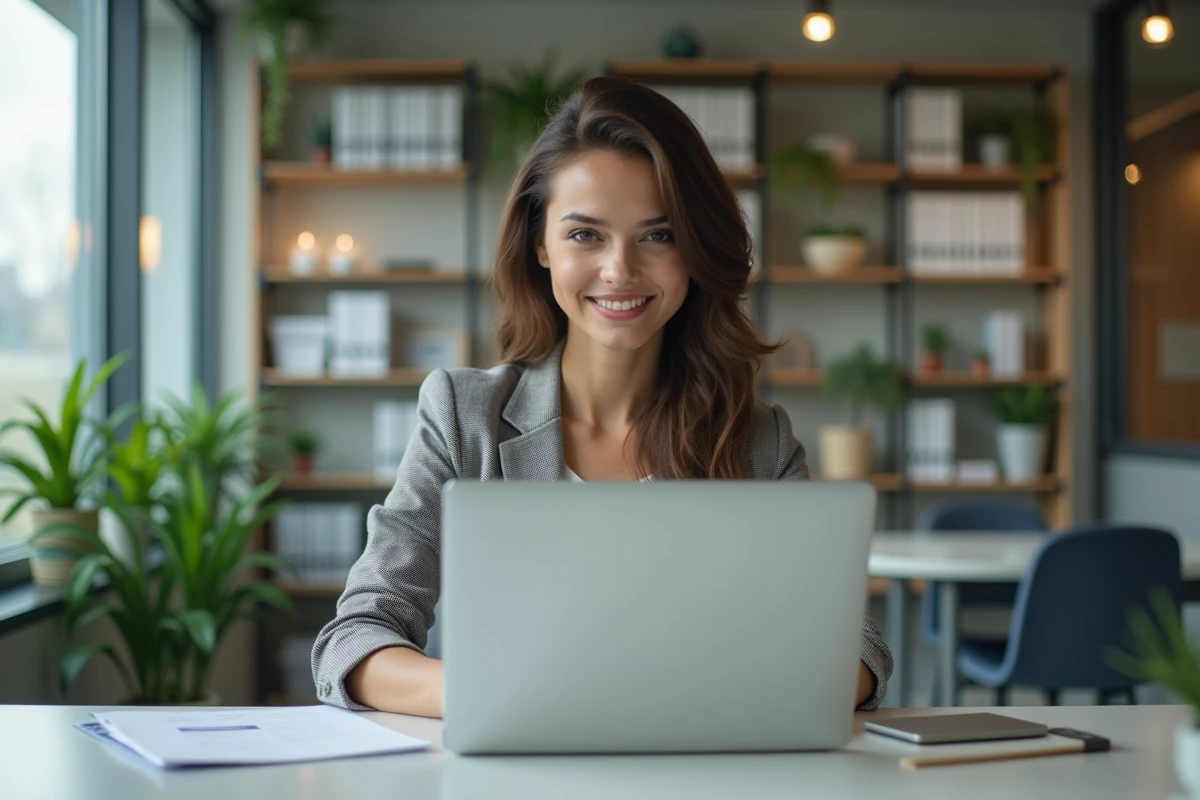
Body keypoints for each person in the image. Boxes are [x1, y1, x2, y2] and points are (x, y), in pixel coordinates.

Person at [311, 76, 893, 717]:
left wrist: (733, 694)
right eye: (586, 235)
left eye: (659, 235)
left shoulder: (759, 441)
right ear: (540, 245)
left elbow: (856, 646)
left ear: (695, 249)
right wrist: (491, 694)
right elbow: (356, 635)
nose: (620, 269)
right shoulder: (463, 415)